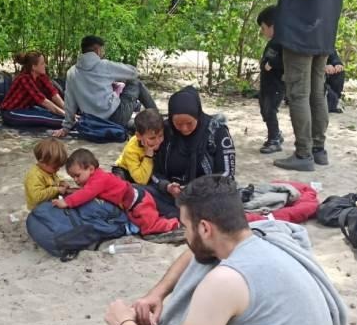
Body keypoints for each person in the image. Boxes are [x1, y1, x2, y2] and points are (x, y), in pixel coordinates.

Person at [81, 175, 346, 325]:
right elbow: (195, 253)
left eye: (185, 228)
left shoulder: (225, 281)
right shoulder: (265, 237)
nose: (185, 236)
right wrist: (157, 293)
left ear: (205, 228)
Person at [261, 0, 350, 171]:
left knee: (298, 92)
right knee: (317, 91)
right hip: (324, 32)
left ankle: (303, 154)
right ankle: (319, 150)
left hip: (300, 32)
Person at [148, 86, 235, 219]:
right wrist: (167, 186)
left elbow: (227, 175)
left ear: (197, 116)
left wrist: (197, 189)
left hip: (207, 196)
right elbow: (153, 172)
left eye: (189, 123)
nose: (184, 129)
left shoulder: (217, 132)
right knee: (138, 193)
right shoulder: (164, 132)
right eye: (178, 124)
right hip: (171, 195)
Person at [54, 149, 179, 236]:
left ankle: (174, 223)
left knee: (148, 228)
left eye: (77, 175)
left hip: (140, 202)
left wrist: (66, 202)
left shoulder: (98, 180)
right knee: (145, 221)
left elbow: (86, 193)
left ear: (91, 169)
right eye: (73, 177)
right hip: (133, 202)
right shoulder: (95, 178)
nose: (75, 180)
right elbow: (85, 191)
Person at [52, 36, 157, 137]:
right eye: (102, 50)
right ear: (97, 50)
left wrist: (66, 127)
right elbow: (133, 73)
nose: (103, 53)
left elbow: (70, 102)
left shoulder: (71, 72)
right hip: (115, 118)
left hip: (93, 123)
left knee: (126, 116)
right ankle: (157, 119)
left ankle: (132, 126)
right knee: (136, 83)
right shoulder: (104, 65)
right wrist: (119, 78)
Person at [0, 51, 66, 129]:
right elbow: (44, 101)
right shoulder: (24, 78)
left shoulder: (41, 76)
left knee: (51, 113)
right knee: (46, 118)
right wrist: (68, 116)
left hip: (27, 108)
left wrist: (68, 111)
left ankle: (73, 121)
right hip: (11, 112)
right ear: (34, 67)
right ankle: (74, 124)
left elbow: (53, 93)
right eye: (42, 63)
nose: (45, 65)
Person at [256, 5, 286, 154]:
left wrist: (272, 64)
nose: (262, 32)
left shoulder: (283, 43)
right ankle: (277, 134)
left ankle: (274, 139)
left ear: (272, 26)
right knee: (264, 109)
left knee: (270, 110)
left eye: (263, 28)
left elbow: (286, 62)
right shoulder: (273, 42)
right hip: (266, 85)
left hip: (276, 86)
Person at [112, 108, 165, 185]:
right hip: (125, 169)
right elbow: (141, 180)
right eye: (152, 138)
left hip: (144, 170)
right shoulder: (131, 150)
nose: (158, 141)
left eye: (160, 136)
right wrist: (148, 155)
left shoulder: (162, 140)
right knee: (119, 184)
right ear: (138, 136)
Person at [24, 138, 71, 210]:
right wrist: (57, 190)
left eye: (59, 166)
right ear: (42, 162)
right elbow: (36, 197)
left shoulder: (48, 170)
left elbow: (53, 180)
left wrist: (61, 182)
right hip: (38, 210)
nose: (58, 169)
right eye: (55, 167)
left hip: (48, 204)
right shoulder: (34, 176)